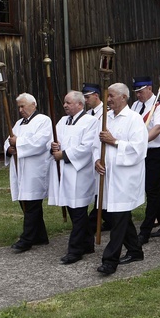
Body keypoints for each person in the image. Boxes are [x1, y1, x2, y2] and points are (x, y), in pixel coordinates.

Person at [94, 83, 148, 275]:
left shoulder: (134, 119)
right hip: (109, 176)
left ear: (124, 98)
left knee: (118, 218)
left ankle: (110, 261)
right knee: (118, 215)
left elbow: (139, 148)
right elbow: (96, 143)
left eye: (112, 96)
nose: (108, 100)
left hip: (126, 178)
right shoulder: (105, 118)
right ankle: (135, 250)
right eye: (107, 96)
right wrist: (97, 160)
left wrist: (114, 141)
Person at [48, 91, 99, 264]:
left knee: (78, 212)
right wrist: (53, 146)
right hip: (64, 173)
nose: (65, 105)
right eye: (64, 102)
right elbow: (54, 141)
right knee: (74, 211)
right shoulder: (62, 121)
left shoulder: (91, 122)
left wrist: (64, 154)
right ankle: (87, 243)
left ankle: (75, 250)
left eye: (68, 102)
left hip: (79, 173)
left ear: (79, 104)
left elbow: (87, 147)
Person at [5, 93, 52, 253]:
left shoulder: (43, 121)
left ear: (33, 104)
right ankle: (40, 235)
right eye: (18, 107)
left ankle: (26, 239)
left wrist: (18, 143)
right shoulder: (19, 123)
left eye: (23, 106)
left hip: (34, 169)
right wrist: (9, 148)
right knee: (25, 202)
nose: (20, 110)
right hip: (20, 169)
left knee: (32, 204)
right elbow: (9, 140)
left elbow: (40, 142)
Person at [130, 76, 160, 244]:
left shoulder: (159, 106)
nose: (138, 95)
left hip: (157, 151)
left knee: (152, 191)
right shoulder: (135, 106)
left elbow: (157, 129)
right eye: (136, 93)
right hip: (142, 151)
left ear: (149, 88)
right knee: (154, 190)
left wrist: (139, 143)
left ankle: (145, 231)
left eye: (141, 92)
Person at [83, 83, 111, 234]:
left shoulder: (107, 112)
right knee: (95, 189)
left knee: (102, 189)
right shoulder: (87, 115)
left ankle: (96, 219)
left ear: (96, 95)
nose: (86, 100)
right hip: (90, 155)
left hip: (103, 154)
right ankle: (105, 216)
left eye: (87, 97)